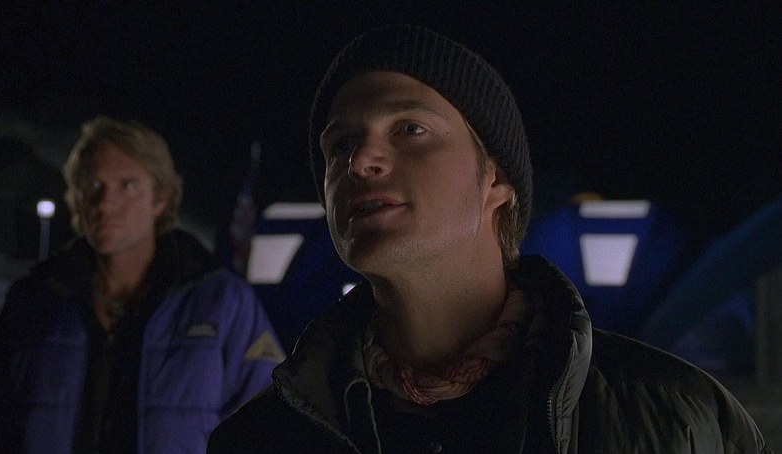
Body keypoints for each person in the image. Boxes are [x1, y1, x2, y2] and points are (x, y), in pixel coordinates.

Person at [207, 25, 770, 453]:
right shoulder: (262, 438)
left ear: (495, 178)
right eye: (340, 146)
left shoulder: (677, 418)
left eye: (410, 129)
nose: (361, 160)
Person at [0, 116, 285, 453]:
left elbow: (266, 422)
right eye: (93, 185)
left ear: (160, 198)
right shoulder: (31, 301)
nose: (104, 203)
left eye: (127, 185)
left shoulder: (222, 304)